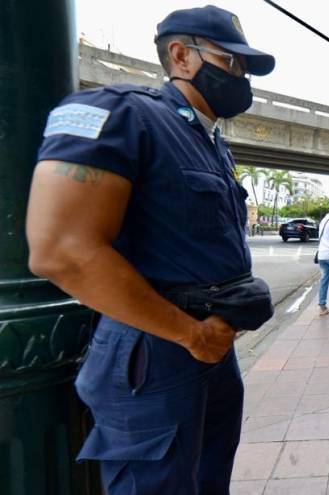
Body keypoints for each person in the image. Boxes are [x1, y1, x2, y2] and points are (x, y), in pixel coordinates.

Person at [25, 6, 275, 493]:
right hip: (156, 350)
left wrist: (208, 337)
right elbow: (61, 251)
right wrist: (189, 335)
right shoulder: (120, 112)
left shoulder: (210, 142)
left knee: (209, 478)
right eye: (231, 63)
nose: (241, 78)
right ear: (181, 55)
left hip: (209, 346)